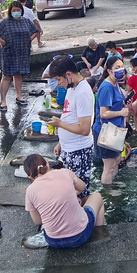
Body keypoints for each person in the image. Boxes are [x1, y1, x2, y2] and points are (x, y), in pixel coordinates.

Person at [23, 154, 105, 249]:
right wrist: (71, 194)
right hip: (79, 237)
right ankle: (99, 235)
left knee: (79, 202)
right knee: (97, 196)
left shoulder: (30, 190)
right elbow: (82, 187)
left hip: (52, 240)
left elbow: (38, 221)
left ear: (30, 177)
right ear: (48, 164)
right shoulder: (65, 173)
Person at [46, 56, 95, 198]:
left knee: (80, 191)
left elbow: (85, 130)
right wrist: (61, 142)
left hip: (79, 151)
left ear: (68, 74)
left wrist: (59, 124)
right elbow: (69, 116)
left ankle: (86, 218)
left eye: (58, 79)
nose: (58, 83)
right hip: (69, 148)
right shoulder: (71, 88)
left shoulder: (83, 92)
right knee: (69, 189)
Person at [0, 0, 39, 111]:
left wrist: (29, 39)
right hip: (8, 52)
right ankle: (3, 101)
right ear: (10, 11)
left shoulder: (26, 21)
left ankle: (19, 96)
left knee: (18, 74)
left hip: (22, 52)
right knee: (6, 76)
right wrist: (1, 41)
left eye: (18, 10)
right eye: (14, 10)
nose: (16, 12)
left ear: (21, 11)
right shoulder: (5, 22)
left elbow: (36, 30)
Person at [93, 57, 129, 185]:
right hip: (106, 131)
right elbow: (103, 113)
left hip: (116, 130)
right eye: (117, 67)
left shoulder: (116, 83)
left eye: (122, 66)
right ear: (109, 70)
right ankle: (108, 191)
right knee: (109, 166)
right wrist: (121, 112)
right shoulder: (107, 87)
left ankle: (112, 182)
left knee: (116, 160)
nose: (121, 70)